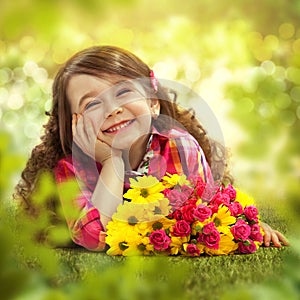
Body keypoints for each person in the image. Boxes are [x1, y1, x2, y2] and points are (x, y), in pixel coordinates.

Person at [15, 45, 288, 251]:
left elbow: (209, 206)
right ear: (74, 124)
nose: (114, 109)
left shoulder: (180, 148)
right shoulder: (72, 170)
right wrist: (112, 163)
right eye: (93, 104)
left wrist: (243, 225)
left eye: (123, 92)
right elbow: (96, 238)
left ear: (153, 103)